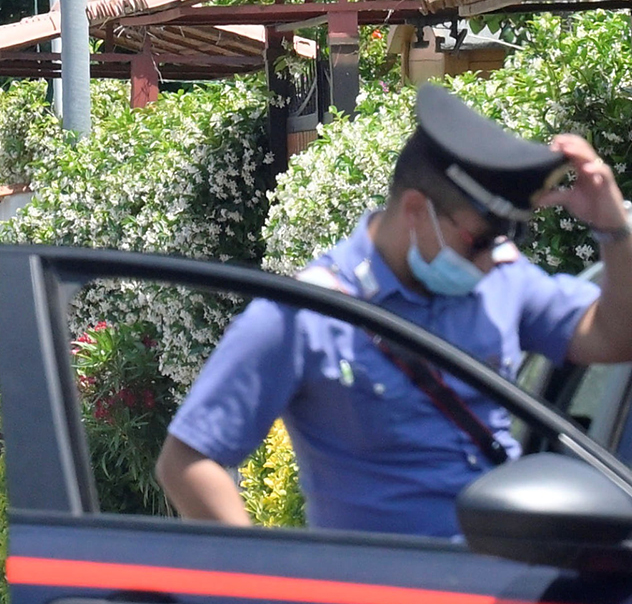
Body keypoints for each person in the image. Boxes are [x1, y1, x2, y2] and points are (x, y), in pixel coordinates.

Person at [156, 84, 632, 538]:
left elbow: (613, 337)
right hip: (394, 601)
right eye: (481, 240)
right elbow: (187, 460)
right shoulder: (306, 314)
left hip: (504, 583)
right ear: (415, 209)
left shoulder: (500, 280)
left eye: (510, 238)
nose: (493, 259)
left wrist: (614, 230)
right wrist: (264, 593)